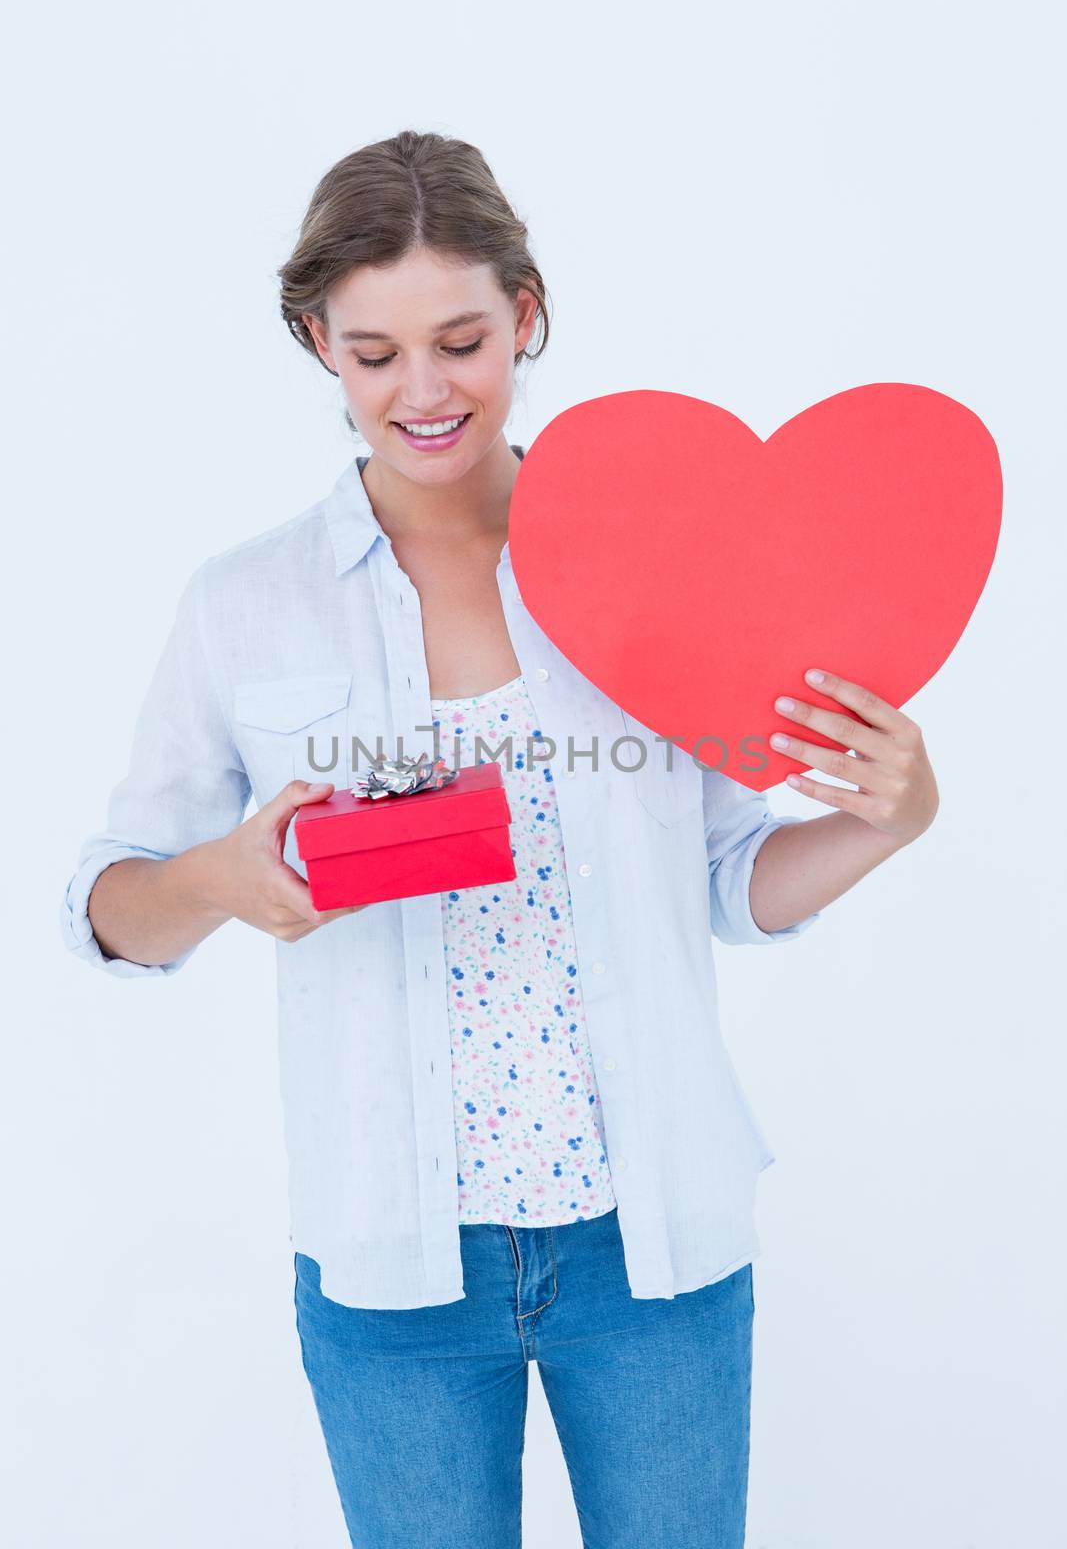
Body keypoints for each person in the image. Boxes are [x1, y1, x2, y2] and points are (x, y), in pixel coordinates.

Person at [61, 129, 940, 1548]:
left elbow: (732, 880)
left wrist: (890, 820)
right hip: (394, 1269)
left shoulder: (658, 564)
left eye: (463, 340)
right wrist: (227, 881)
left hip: (654, 1256)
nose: (423, 391)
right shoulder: (246, 606)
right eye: (372, 353)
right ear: (316, 344)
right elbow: (104, 911)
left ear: (527, 314)